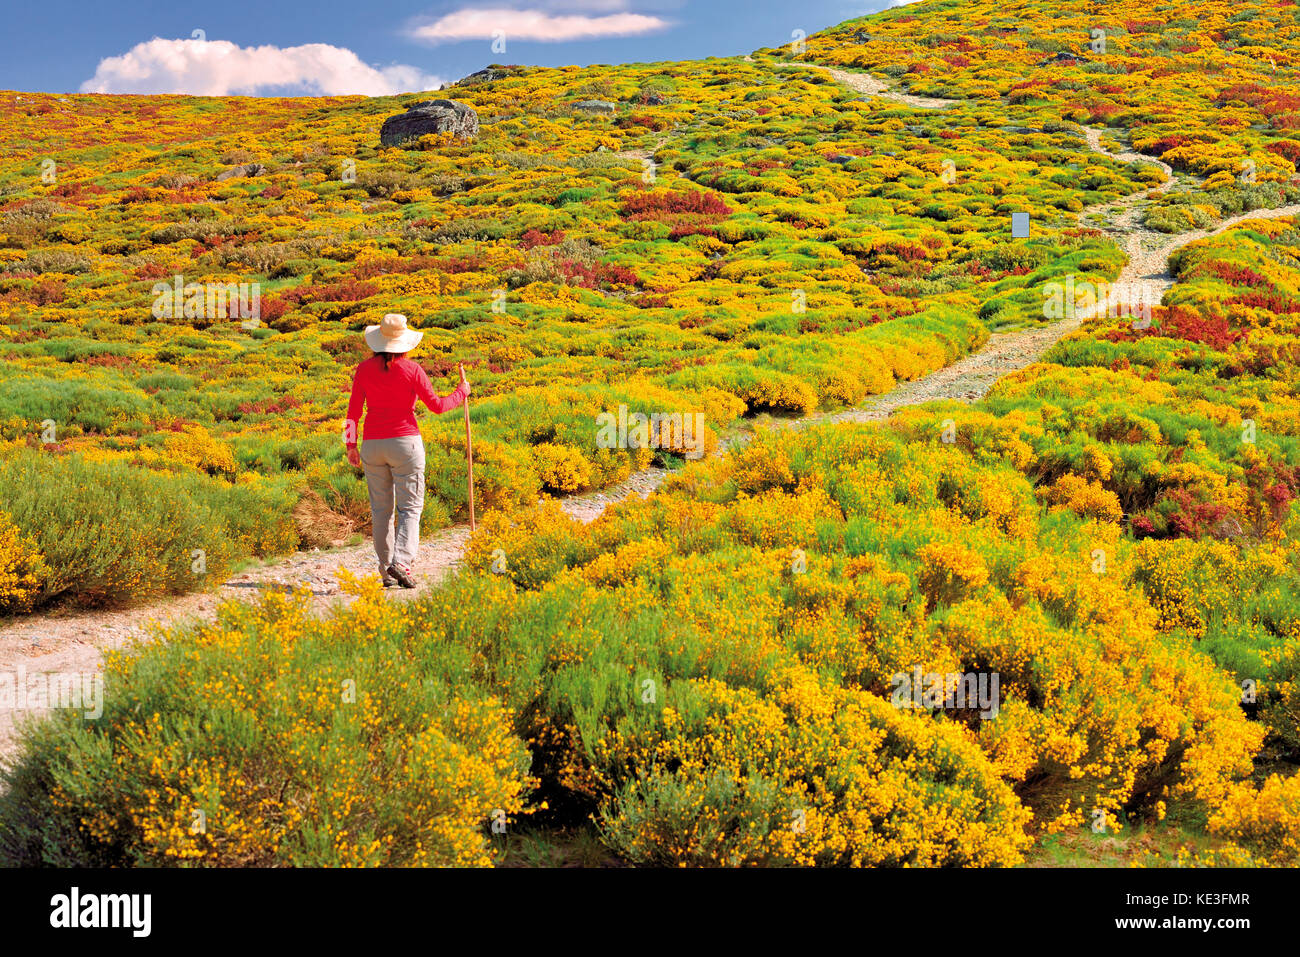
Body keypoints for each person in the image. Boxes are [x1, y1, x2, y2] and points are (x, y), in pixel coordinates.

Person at [345, 313, 469, 588]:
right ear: (404, 343)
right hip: (406, 444)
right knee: (410, 507)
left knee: (381, 511)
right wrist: (462, 392)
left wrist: (350, 446)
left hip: (373, 445)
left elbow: (352, 413)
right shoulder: (413, 370)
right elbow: (437, 406)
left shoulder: (363, 370)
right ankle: (401, 562)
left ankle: (386, 572)